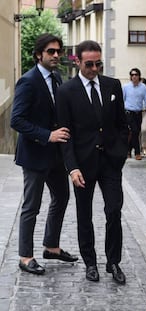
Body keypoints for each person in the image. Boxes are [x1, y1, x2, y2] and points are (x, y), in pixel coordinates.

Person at [56, 40, 129, 285]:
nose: (95, 69)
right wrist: (72, 167)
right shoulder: (66, 91)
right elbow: (65, 135)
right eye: (90, 64)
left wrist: (121, 151)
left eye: (99, 63)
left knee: (114, 211)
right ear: (78, 61)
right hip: (83, 165)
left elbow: (122, 123)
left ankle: (113, 262)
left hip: (110, 162)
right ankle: (90, 263)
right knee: (84, 215)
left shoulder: (113, 85)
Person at [10, 33, 78, 275]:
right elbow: (16, 120)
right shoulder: (28, 81)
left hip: (56, 155)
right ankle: (25, 257)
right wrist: (47, 135)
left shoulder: (57, 77)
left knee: (61, 197)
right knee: (32, 206)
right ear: (39, 54)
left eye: (58, 51)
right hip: (35, 155)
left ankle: (51, 246)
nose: (56, 55)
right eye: (51, 51)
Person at [122, 68, 146, 160]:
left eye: (136, 75)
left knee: (136, 132)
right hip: (128, 112)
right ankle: (137, 153)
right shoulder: (126, 87)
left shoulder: (143, 87)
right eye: (132, 75)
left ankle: (128, 151)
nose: (134, 76)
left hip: (138, 113)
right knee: (134, 131)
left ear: (139, 76)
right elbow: (122, 100)